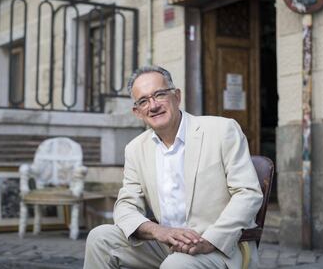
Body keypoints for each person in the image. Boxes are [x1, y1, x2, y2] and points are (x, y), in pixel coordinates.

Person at [84, 66, 263, 269]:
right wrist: (158, 231)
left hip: (221, 247)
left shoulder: (222, 130)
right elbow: (126, 206)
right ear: (137, 112)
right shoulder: (135, 149)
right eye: (143, 101)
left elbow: (248, 193)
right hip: (166, 245)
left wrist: (210, 240)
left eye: (159, 94)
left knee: (176, 265)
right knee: (100, 238)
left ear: (177, 96)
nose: (153, 106)